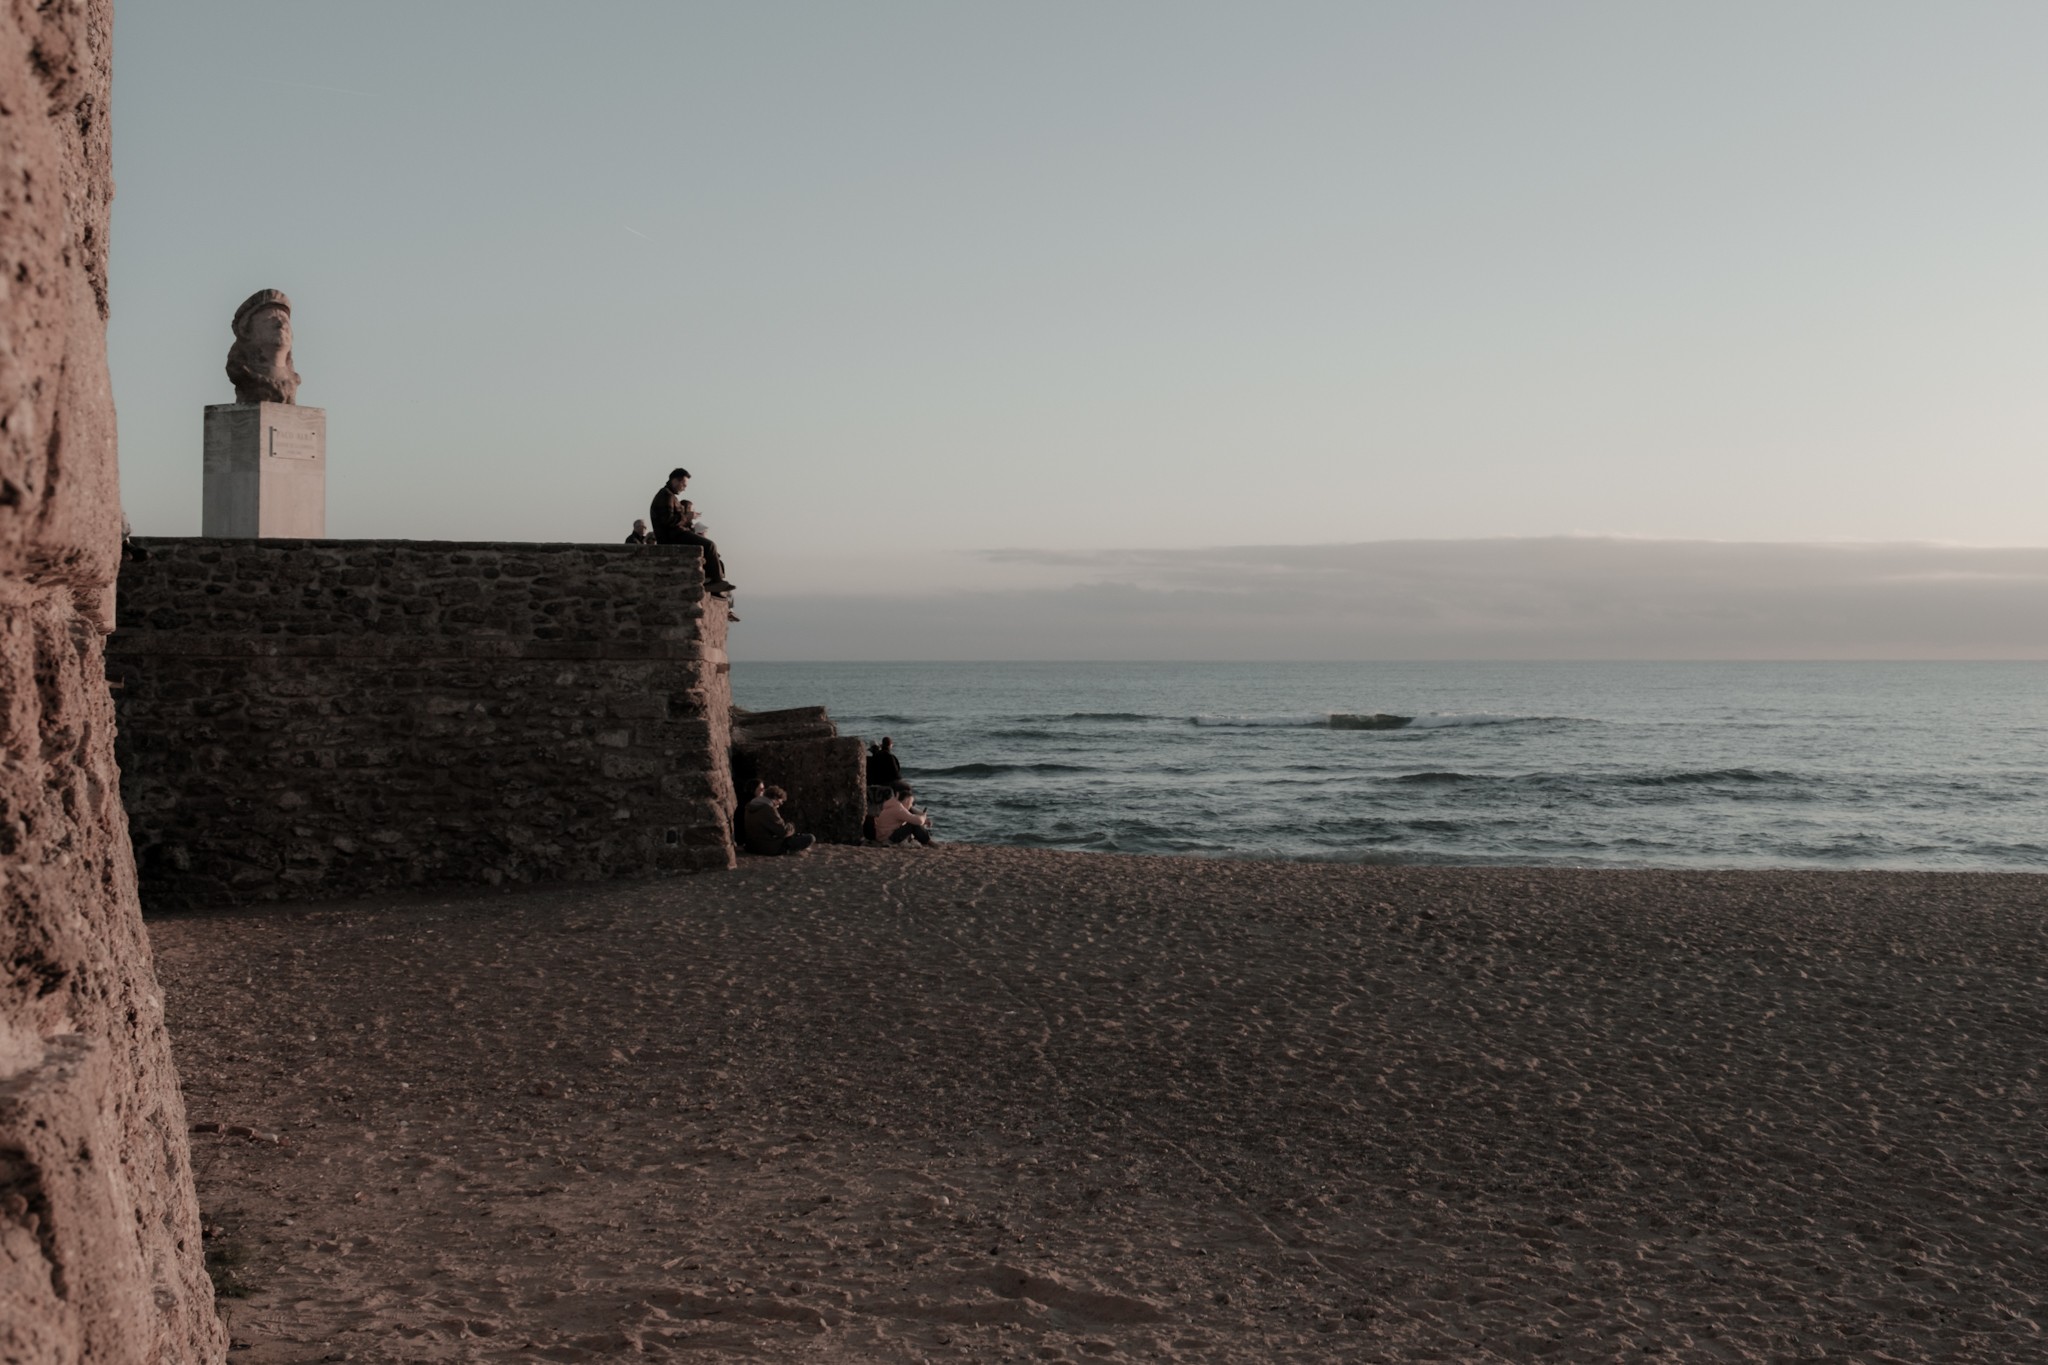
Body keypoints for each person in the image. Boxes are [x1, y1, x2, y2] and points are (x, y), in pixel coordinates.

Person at [649, 468, 736, 596]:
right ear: (675, 480)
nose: (684, 488)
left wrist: (686, 518)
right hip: (673, 537)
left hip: (676, 534)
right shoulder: (666, 495)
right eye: (683, 484)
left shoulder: (669, 495)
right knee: (709, 545)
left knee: (709, 548)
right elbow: (667, 521)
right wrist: (686, 517)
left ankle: (712, 579)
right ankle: (715, 581)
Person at [743, 784, 815, 856]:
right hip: (768, 848)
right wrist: (791, 826)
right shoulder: (768, 809)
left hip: (752, 847)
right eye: (780, 801)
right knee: (810, 838)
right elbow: (783, 832)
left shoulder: (751, 806)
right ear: (775, 798)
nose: (780, 804)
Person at [874, 782, 933, 847]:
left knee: (913, 822)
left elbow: (911, 816)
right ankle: (929, 842)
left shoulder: (893, 804)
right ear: (906, 801)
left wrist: (925, 820)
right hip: (888, 838)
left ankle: (926, 840)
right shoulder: (898, 809)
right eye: (911, 803)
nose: (911, 805)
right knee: (912, 824)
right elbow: (919, 821)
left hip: (882, 836)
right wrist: (923, 816)